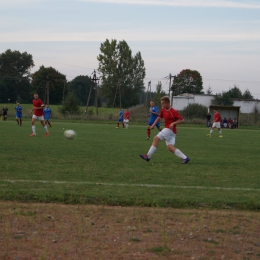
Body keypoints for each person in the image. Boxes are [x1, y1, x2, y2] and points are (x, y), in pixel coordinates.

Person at [139, 96, 190, 164]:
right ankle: (185, 158)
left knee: (156, 138)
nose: (161, 105)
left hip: (170, 130)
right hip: (171, 132)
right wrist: (153, 125)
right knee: (170, 147)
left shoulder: (173, 111)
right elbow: (159, 117)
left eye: (163, 103)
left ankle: (148, 156)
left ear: (167, 103)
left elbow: (182, 120)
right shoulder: (163, 110)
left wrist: (173, 123)